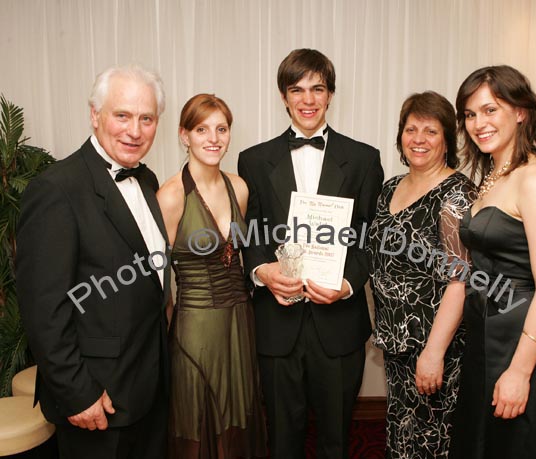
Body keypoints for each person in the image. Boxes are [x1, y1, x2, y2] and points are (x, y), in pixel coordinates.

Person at [16, 65, 170, 459]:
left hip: (148, 389)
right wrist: (77, 393)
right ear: (94, 115)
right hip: (96, 398)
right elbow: (43, 310)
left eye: (146, 118)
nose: (134, 131)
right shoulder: (56, 189)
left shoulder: (148, 182)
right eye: (122, 115)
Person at [238, 48, 384, 459]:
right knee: (282, 438)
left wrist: (349, 284)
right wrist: (261, 271)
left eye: (317, 88)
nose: (307, 99)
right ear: (283, 96)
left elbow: (370, 237)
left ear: (331, 94)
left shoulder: (363, 159)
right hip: (276, 323)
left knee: (337, 438)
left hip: (338, 323)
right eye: (296, 89)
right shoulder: (252, 160)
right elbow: (250, 235)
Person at [449, 65, 536, 459]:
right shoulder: (492, 175)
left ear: (521, 111)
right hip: (485, 342)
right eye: (470, 114)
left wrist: (520, 372)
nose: (478, 123)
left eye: (490, 110)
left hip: (524, 347)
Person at [157, 94, 268, 458]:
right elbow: (158, 282)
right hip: (195, 328)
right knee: (199, 419)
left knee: (240, 417)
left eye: (221, 129)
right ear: (183, 135)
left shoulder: (239, 187)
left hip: (240, 321)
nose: (213, 138)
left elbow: (239, 257)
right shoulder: (170, 196)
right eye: (202, 129)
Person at [367, 91, 477, 459]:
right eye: (411, 129)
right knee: (404, 437)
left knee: (434, 443)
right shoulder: (389, 189)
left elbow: (460, 279)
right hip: (398, 347)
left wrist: (433, 352)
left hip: (436, 347)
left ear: (447, 139)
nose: (418, 139)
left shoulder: (456, 194)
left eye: (430, 131)